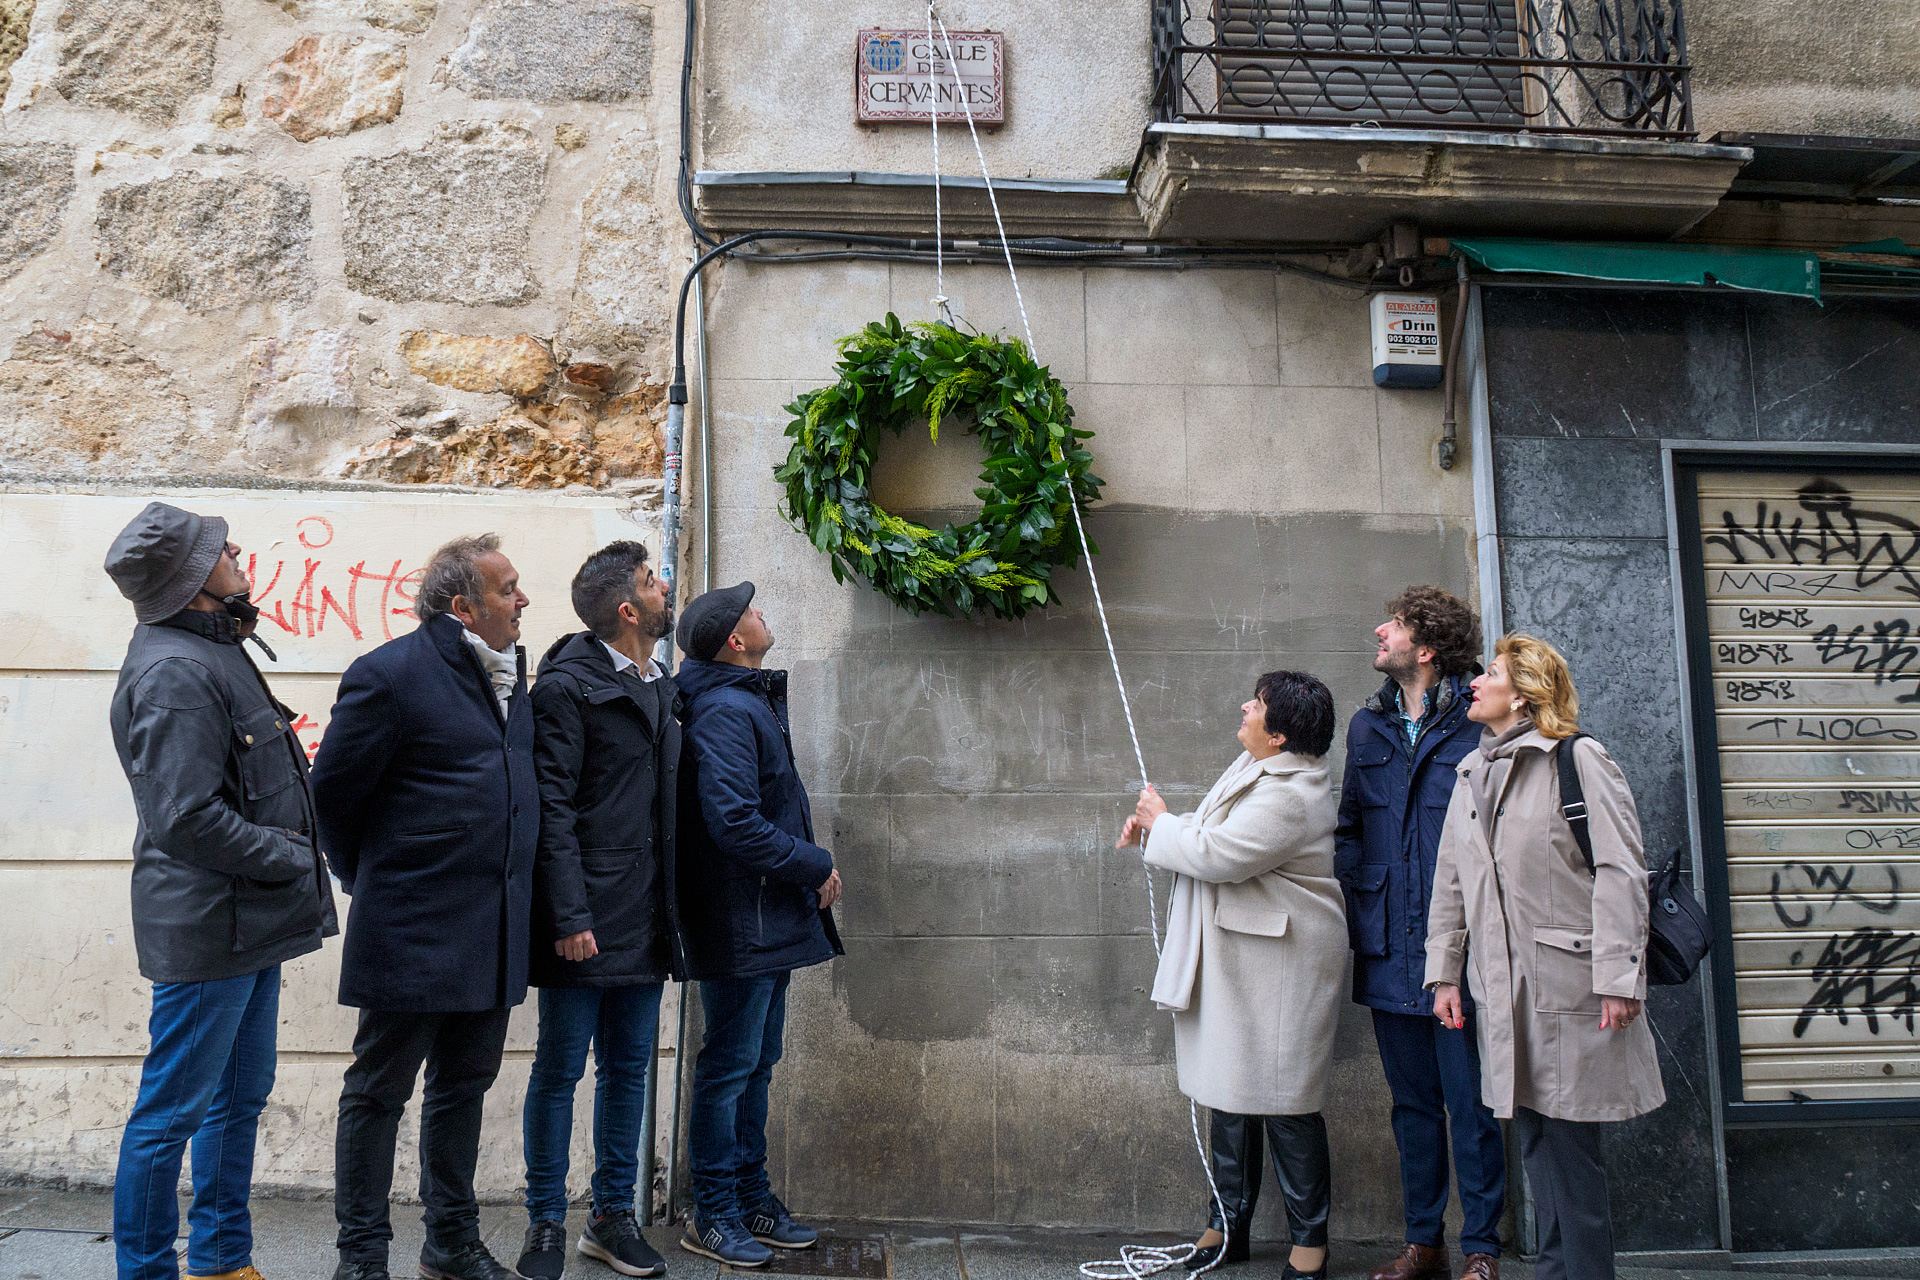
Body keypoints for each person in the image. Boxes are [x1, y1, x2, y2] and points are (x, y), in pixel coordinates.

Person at [104, 502, 339, 1280]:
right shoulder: (175, 669)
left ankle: (221, 1260)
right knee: (169, 1116)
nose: (234, 549)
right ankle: (146, 1271)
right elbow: (185, 819)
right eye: (216, 547)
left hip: (253, 920)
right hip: (210, 931)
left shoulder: (215, 643)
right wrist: (291, 855)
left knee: (237, 1100)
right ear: (186, 578)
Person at [310, 534, 538, 1280]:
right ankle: (363, 1260)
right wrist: (373, 880)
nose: (523, 600)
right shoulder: (391, 674)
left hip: (493, 928)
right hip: (411, 928)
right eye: (508, 589)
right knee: (378, 1092)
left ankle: (451, 1244)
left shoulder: (510, 678)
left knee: (462, 1090)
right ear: (463, 606)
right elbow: (332, 802)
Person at [1425, 634, 1665, 1280]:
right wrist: (1443, 972)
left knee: (1569, 1154)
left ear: (1525, 693)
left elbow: (1620, 871)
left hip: (1572, 987)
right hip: (1503, 991)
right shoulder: (1472, 771)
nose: (1475, 683)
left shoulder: (1578, 759)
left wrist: (1619, 977)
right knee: (1535, 1142)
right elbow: (1451, 882)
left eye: (1491, 674)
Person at [1118, 671, 1347, 1280]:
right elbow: (1218, 836)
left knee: (1288, 1102)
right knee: (1230, 1091)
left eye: (1258, 704)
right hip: (1247, 957)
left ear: (1277, 734)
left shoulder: (1293, 794)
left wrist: (1162, 823)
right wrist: (1158, 826)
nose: (1245, 706)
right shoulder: (1259, 769)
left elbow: (1219, 855)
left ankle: (1310, 1247)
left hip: (1282, 965)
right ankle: (1226, 1227)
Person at [515, 542, 678, 1280]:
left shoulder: (658, 682)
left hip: (645, 913)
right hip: (585, 916)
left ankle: (611, 1218)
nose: (664, 587)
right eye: (652, 581)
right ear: (628, 609)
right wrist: (569, 915)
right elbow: (550, 808)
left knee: (628, 1067)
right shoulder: (567, 689)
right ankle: (546, 1222)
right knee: (559, 1070)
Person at [1334, 588, 1505, 1280]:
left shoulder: (1477, 722)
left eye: (1395, 626)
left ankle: (1483, 1249)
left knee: (1471, 1105)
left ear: (1426, 648)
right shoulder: (1367, 727)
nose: (1380, 630)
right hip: (1387, 948)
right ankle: (1422, 1243)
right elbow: (1349, 828)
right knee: (1412, 1108)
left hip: (1457, 951)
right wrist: (1363, 892)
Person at [674, 583, 844, 1268]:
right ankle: (712, 1211)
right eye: (750, 610)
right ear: (734, 641)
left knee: (758, 1064)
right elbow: (734, 822)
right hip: (742, 920)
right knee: (729, 1068)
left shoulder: (746, 703)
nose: (761, 611)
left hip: (766, 915)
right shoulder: (723, 711)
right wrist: (814, 864)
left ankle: (750, 1197)